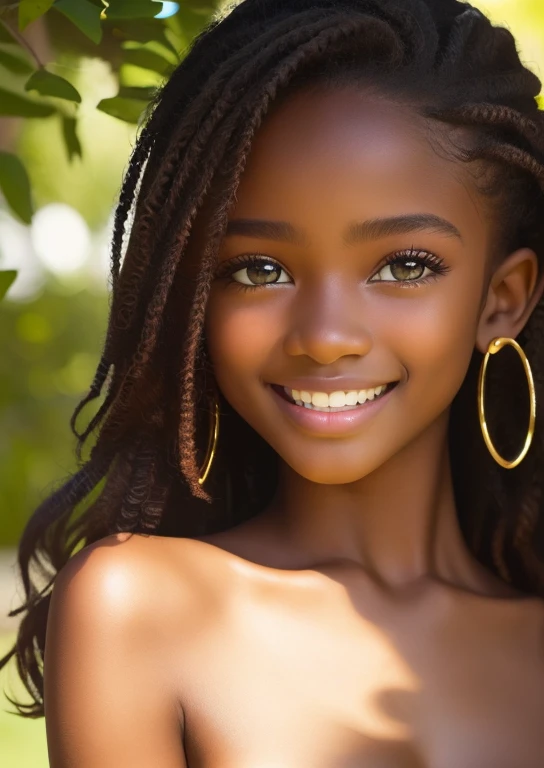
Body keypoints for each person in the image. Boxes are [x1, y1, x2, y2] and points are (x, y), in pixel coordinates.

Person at [3, 0, 544, 764]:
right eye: (259, 270)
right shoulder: (138, 607)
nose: (324, 337)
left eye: (404, 266)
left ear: (503, 300)